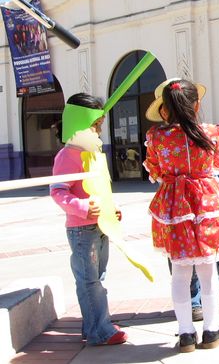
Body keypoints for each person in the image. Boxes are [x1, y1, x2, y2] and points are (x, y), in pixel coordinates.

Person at [144, 79, 219, 353]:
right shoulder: (210, 133)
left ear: (165, 110)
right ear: (196, 105)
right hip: (206, 203)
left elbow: (155, 172)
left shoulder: (157, 137)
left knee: (180, 271)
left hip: (173, 205)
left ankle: (185, 335)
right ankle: (212, 330)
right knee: (208, 270)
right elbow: (215, 166)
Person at [50, 93, 128, 346]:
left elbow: (99, 188)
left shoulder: (93, 154)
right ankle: (100, 331)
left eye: (100, 126)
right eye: (94, 126)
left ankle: (94, 324)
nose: (98, 132)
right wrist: (82, 207)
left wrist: (111, 208)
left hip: (100, 226)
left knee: (98, 277)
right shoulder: (66, 156)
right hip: (82, 230)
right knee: (89, 280)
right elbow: (58, 191)